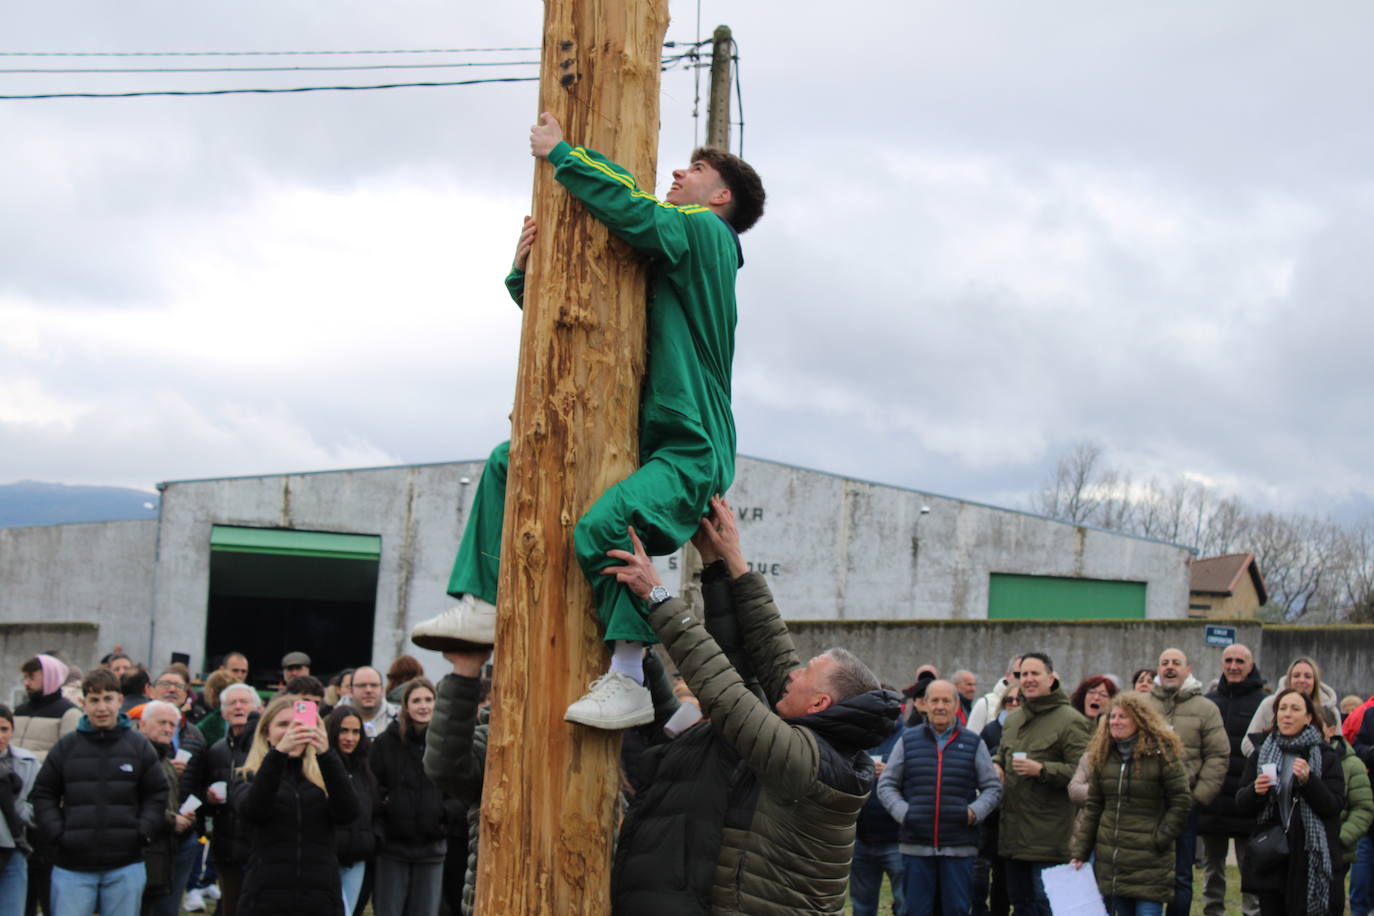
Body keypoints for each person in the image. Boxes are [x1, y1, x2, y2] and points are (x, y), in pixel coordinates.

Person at [409, 112, 767, 733]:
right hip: (644, 437)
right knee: (507, 460)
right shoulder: (667, 264)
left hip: (691, 447)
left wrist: (562, 154)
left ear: (722, 196)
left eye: (697, 168)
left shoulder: (707, 234)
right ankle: (482, 602)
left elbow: (634, 207)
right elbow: (591, 329)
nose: (679, 173)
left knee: (608, 523)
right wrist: (527, 274)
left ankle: (628, 675)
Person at [603, 495, 899, 912]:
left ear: (818, 703)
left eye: (805, 673)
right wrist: (727, 563)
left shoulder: (807, 762)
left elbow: (726, 691)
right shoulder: (822, 741)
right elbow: (771, 653)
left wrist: (659, 595)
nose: (792, 673)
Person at [31, 667, 169, 916]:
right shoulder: (66, 747)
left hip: (125, 865)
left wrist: (142, 832)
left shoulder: (139, 747)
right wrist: (57, 834)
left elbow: (157, 793)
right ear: (84, 703)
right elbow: (43, 794)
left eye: (108, 699)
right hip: (72, 866)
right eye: (94, 700)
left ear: (120, 701)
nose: (101, 707)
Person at [877, 679, 1003, 916]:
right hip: (916, 847)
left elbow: (993, 788)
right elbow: (886, 784)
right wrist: (904, 813)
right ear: (924, 705)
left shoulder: (973, 743)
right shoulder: (908, 741)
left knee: (956, 910)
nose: (940, 706)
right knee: (917, 911)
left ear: (956, 705)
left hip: (958, 848)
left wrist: (974, 812)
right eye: (934, 700)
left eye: (946, 700)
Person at [231, 694, 358, 916]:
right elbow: (254, 811)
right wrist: (278, 754)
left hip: (319, 900)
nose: (292, 731)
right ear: (266, 732)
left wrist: (326, 754)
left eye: (298, 724)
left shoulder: (322, 778)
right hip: (265, 900)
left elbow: (348, 813)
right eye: (283, 725)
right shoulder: (247, 776)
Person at [1070, 693, 1192, 916]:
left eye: (1123, 717)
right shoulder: (1103, 757)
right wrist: (1081, 851)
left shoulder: (1162, 755)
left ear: (1140, 720)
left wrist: (1161, 837)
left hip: (1149, 862)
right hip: (1113, 863)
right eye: (1112, 716)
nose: (1115, 721)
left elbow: (1181, 800)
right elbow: (1094, 808)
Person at [992, 651, 1092, 916]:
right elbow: (1003, 753)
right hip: (1013, 835)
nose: (1028, 679)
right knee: (1021, 904)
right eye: (1023, 674)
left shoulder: (1071, 720)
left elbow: (1083, 773)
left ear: (1052, 678)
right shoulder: (1014, 718)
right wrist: (996, 764)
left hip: (1050, 838)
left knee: (1047, 905)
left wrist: (1043, 770)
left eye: (1035, 673)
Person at [1235, 689, 1344, 916]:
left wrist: (1309, 781)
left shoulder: (1325, 756)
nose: (1287, 714)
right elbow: (1241, 804)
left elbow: (1333, 806)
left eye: (1295, 709)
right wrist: (1255, 791)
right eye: (1282, 709)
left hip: (1308, 855)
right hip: (1272, 854)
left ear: (1308, 718)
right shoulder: (1261, 753)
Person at [1146, 647, 1229, 916]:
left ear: (1188, 670)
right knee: (1144, 871)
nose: (1170, 667)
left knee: (1181, 874)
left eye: (1176, 663)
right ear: (1157, 669)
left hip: (1185, 805)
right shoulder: (1142, 705)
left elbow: (1218, 755)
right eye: (1164, 662)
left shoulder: (1206, 708)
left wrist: (1197, 797)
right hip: (1144, 804)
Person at [371, 678, 451, 916]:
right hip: (393, 848)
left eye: (428, 699)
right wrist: (387, 815)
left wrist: (442, 816)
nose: (423, 706)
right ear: (406, 706)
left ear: (436, 703)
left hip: (432, 848)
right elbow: (374, 787)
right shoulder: (386, 742)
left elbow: (459, 790)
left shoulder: (446, 744)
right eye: (416, 700)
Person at [1198, 643, 1266, 916]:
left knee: (1251, 868)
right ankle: (1212, 912)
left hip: (1247, 801)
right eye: (1229, 660)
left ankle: (1252, 912)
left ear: (1250, 666)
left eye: (1240, 661)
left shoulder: (1263, 702)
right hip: (1213, 801)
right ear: (1221, 664)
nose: (1234, 666)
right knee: (1212, 869)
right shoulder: (1209, 701)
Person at [201, 682, 261, 916]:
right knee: (230, 906)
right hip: (226, 846)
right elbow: (204, 794)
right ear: (223, 711)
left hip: (257, 846)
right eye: (231, 703)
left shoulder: (265, 748)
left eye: (243, 702)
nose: (238, 707)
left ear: (257, 708)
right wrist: (209, 798)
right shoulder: (216, 750)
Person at [850, 687, 906, 916]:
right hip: (863, 837)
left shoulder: (908, 738)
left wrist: (893, 772)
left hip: (897, 838)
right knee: (862, 906)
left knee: (905, 904)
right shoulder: (860, 736)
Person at [136, 700, 190, 916]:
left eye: (172, 724)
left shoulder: (165, 759)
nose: (167, 728)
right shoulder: (137, 756)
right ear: (142, 725)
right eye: (161, 722)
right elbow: (134, 801)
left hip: (162, 851)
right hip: (141, 850)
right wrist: (171, 819)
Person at [326, 707, 378, 915]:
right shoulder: (323, 765)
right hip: (328, 858)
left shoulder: (365, 770)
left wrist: (373, 840)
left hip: (356, 858)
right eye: (343, 731)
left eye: (355, 732)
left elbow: (374, 810)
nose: (350, 738)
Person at [973, 686, 1019, 916]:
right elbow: (979, 759)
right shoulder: (991, 729)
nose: (1013, 703)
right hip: (991, 811)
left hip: (1018, 813)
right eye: (1009, 699)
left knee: (1005, 875)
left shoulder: (1028, 730)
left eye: (1018, 700)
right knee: (981, 869)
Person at [1243, 657, 1342, 756]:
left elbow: (1338, 746)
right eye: (1296, 675)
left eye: (1308, 676)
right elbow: (1247, 744)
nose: (1302, 680)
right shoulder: (1269, 705)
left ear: (1315, 681)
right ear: (1289, 679)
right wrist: (1267, 760)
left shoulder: (1330, 711)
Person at [1327, 717, 1372, 915]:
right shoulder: (1371, 714)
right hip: (1368, 830)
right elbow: (1359, 747)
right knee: (1360, 889)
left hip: (1354, 828)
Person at [0, 704, 40, 916]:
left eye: (4, 729)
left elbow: (39, 802)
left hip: (17, 846)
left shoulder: (28, 762)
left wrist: (20, 812)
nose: (0, 736)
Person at [967, 657, 1021, 734]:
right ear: (1007, 675)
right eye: (1018, 674)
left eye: (1026, 674)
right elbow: (970, 740)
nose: (1023, 679)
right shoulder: (985, 703)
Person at [347, 667, 397, 738]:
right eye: (362, 685)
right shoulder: (334, 720)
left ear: (382, 690)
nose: (368, 690)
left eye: (374, 685)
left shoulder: (399, 719)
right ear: (351, 691)